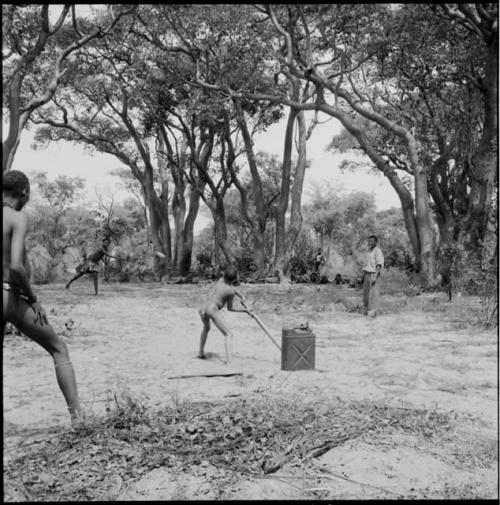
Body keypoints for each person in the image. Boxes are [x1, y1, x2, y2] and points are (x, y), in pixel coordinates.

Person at [3, 170, 82, 424]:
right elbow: (15, 266)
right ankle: (79, 419)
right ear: (24, 191)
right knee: (59, 348)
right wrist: (32, 298)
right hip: (9, 295)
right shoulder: (17, 217)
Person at [198, 264, 249, 364]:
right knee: (229, 334)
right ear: (235, 278)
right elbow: (230, 308)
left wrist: (241, 296)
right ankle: (229, 363)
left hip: (203, 308)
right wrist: (244, 311)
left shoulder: (221, 280)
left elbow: (232, 289)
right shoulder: (230, 292)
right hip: (212, 309)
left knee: (206, 328)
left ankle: (200, 352)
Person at [362, 235, 384, 317]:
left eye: (371, 241)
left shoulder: (377, 251)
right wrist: (363, 276)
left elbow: (379, 264)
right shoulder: (368, 251)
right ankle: (366, 311)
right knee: (366, 294)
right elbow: (366, 264)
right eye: (369, 241)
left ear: (375, 242)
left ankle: (372, 313)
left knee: (373, 294)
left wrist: (375, 276)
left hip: (373, 274)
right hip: (367, 274)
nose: (369, 242)